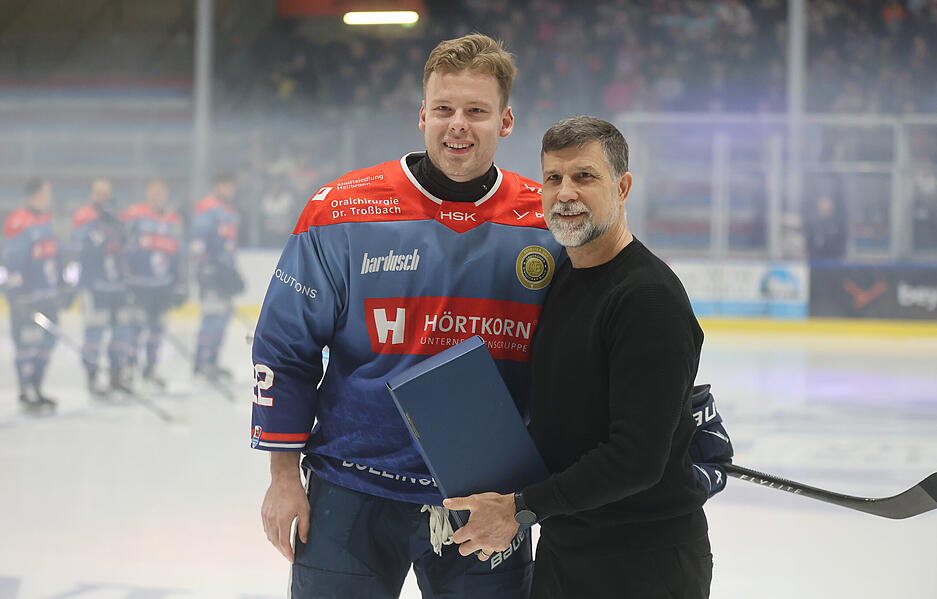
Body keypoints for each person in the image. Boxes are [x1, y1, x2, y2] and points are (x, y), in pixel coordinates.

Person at [251, 34, 564, 599]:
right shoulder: (340, 210)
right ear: (422, 115)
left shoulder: (545, 222)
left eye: (476, 111)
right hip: (351, 489)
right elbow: (284, 348)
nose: (457, 125)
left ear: (507, 120)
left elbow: (579, 357)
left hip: (488, 505)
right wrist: (281, 479)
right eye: (443, 109)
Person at [443, 116, 729, 599]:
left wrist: (518, 509)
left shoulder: (647, 298)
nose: (565, 192)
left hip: (644, 563)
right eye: (553, 178)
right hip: (566, 548)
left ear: (623, 186)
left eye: (584, 176)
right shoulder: (565, 279)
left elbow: (636, 460)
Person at [1, 178, 60, 412]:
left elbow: (55, 256)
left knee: (47, 342)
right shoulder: (18, 222)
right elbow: (11, 261)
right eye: (48, 192)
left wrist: (63, 284)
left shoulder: (47, 221)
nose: (50, 196)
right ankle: (26, 390)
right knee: (26, 342)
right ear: (36, 194)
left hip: (48, 295)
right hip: (28, 296)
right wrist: (16, 295)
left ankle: (37, 386)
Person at [120, 178, 186, 389]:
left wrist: (179, 283)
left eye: (161, 191)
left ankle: (150, 369)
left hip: (163, 286)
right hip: (139, 285)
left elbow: (178, 253)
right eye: (153, 191)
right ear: (148, 193)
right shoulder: (135, 215)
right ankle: (129, 369)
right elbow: (120, 239)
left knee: (157, 330)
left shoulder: (174, 220)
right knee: (136, 328)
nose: (157, 195)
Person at [70, 178, 133, 396]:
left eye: (106, 193)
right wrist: (100, 227)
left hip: (118, 287)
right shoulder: (84, 217)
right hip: (95, 287)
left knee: (122, 333)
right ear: (91, 194)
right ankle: (92, 376)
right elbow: (82, 249)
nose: (103, 197)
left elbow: (125, 247)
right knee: (94, 334)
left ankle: (117, 376)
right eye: (98, 192)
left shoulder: (117, 218)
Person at [190, 172, 242, 379]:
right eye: (226, 186)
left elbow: (230, 246)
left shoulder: (231, 212)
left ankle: (213, 360)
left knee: (223, 318)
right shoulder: (207, 209)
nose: (230, 190)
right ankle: (201, 361)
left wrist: (232, 270)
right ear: (217, 186)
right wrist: (206, 268)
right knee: (211, 317)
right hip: (211, 274)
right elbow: (198, 243)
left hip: (225, 275)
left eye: (232, 186)